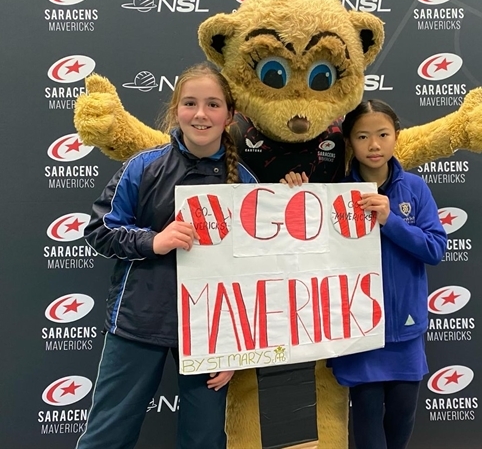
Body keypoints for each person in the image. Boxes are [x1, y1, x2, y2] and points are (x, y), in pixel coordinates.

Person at [75, 62, 258, 449]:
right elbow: (99, 230)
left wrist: (235, 347)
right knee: (108, 433)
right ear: (177, 110)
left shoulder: (245, 182)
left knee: (205, 438)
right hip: (138, 321)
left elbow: (252, 273)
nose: (201, 114)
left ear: (229, 115)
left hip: (210, 332)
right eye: (190, 103)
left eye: (213, 104)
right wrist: (153, 241)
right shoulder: (144, 166)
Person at [283, 99, 447, 449]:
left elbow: (434, 249)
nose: (374, 145)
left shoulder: (415, 189)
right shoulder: (333, 191)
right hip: (358, 332)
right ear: (349, 143)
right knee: (368, 424)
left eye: (383, 134)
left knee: (402, 418)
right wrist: (294, 195)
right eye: (362, 137)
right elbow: (306, 250)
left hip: (405, 330)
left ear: (396, 137)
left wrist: (391, 221)